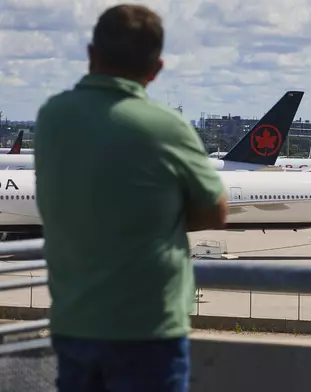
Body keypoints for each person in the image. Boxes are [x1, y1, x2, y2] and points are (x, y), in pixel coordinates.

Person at [33, 4, 227, 391]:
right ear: (156, 69)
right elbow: (215, 211)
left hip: (73, 322)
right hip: (147, 328)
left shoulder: (52, 116)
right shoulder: (166, 126)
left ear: (91, 54)